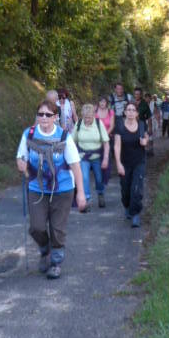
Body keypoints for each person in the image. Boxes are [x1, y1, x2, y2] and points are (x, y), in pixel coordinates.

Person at [16, 99, 87, 279]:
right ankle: (45, 250)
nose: (44, 118)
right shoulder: (29, 134)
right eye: (40, 114)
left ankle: (56, 262)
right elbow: (21, 157)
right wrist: (21, 164)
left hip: (62, 188)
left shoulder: (64, 136)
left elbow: (75, 165)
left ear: (56, 117)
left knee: (57, 228)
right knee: (36, 227)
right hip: (37, 187)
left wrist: (80, 193)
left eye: (48, 115)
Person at [113, 100, 148, 228]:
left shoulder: (142, 125)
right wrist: (118, 164)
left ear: (137, 113)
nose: (131, 112)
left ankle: (135, 214)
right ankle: (127, 206)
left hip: (139, 162)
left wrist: (145, 141)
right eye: (129, 110)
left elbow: (146, 137)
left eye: (133, 110)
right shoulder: (120, 126)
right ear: (125, 112)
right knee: (125, 190)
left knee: (136, 189)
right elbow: (117, 146)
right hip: (125, 163)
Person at [73, 104, 110, 208]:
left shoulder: (98, 123)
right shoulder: (79, 124)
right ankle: (87, 199)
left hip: (97, 156)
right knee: (84, 177)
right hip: (83, 156)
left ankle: (100, 193)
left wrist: (106, 158)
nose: (87, 120)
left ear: (93, 116)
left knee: (99, 178)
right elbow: (72, 141)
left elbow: (106, 142)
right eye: (85, 117)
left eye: (89, 117)